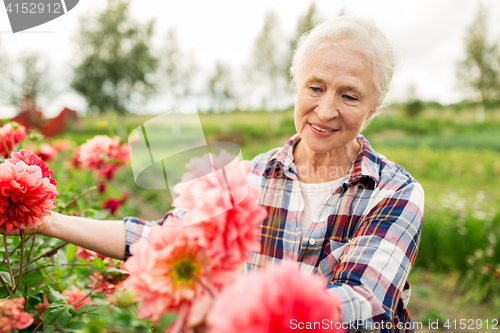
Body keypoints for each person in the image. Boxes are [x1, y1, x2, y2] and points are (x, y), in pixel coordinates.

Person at [1, 16, 424, 333]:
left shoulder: (393, 192)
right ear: (297, 86)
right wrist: (49, 222)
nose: (326, 109)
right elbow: (166, 239)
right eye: (315, 87)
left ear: (376, 105)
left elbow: (360, 302)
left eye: (349, 95)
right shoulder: (245, 176)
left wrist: (230, 311)